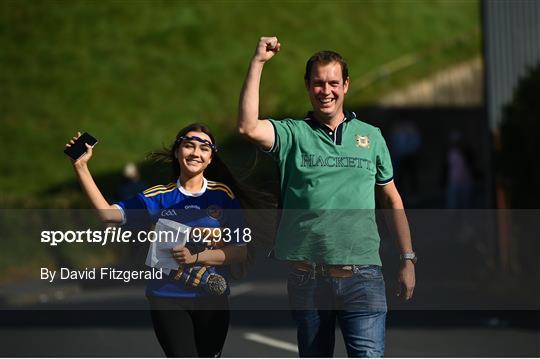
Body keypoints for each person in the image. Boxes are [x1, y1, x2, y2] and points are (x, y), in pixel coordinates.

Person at [238, 37, 416, 357]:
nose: (326, 90)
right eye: (318, 83)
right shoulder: (293, 134)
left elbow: (392, 200)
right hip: (309, 279)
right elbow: (248, 127)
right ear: (307, 86)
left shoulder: (372, 137)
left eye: (334, 82)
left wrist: (407, 258)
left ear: (346, 85)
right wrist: (258, 62)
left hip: (363, 275)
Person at [65, 123, 250, 357]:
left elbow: (240, 251)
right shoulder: (158, 196)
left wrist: (197, 256)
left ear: (211, 158)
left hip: (211, 297)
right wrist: (81, 167)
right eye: (188, 146)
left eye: (204, 148)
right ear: (177, 151)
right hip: (167, 296)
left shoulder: (224, 195)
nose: (195, 153)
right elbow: (107, 215)